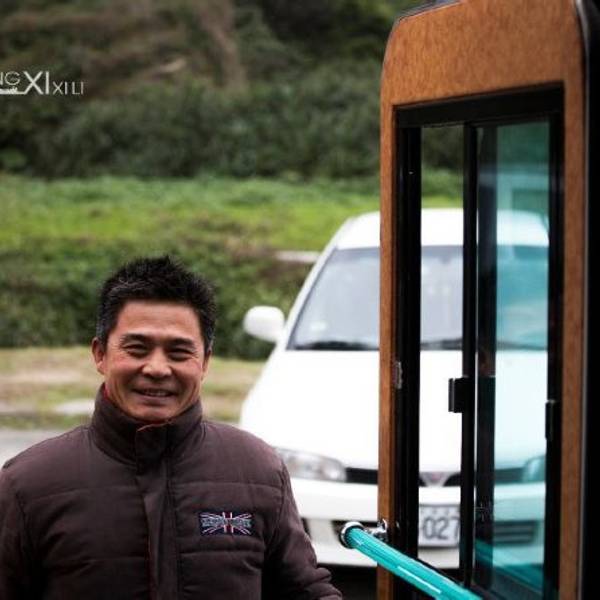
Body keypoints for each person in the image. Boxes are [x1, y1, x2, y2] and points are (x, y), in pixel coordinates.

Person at [0, 256, 342, 600]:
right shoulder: (27, 484)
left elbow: (305, 590)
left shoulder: (258, 470)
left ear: (205, 362)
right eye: (137, 349)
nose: (157, 368)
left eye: (178, 352)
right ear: (100, 354)